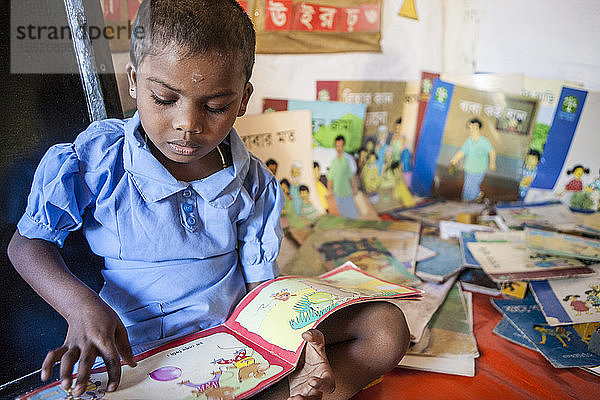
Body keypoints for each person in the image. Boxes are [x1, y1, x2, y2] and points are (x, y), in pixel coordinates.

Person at [6, 1, 409, 399]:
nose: (188, 125)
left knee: (386, 328)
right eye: (164, 99)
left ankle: (286, 386)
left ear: (243, 98)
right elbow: (27, 244)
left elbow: (260, 291)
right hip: (138, 349)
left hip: (234, 341)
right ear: (133, 81)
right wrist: (81, 307)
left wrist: (294, 345)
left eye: (216, 106)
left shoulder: (252, 182)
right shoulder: (98, 161)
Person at [449, 118, 496, 201]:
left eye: (474, 128)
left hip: (479, 169)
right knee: (468, 186)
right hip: (469, 168)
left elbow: (492, 152)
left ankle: (468, 200)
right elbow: (462, 151)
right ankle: (476, 196)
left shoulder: (484, 141)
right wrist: (455, 159)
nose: (472, 130)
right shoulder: (468, 141)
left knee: (471, 187)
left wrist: (492, 163)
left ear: (478, 129)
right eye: (470, 128)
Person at [327, 135, 360, 219]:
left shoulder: (348, 159)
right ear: (335, 146)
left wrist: (355, 189)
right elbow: (330, 178)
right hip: (337, 194)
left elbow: (352, 176)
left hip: (347, 193)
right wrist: (330, 190)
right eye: (337, 146)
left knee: (352, 215)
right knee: (341, 215)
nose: (339, 148)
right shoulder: (333, 161)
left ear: (343, 146)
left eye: (340, 146)